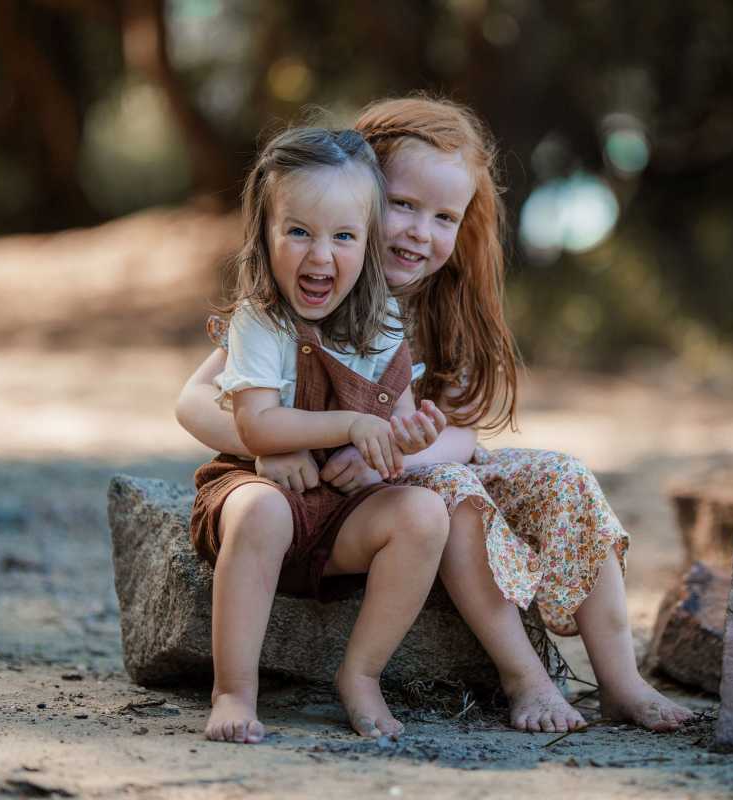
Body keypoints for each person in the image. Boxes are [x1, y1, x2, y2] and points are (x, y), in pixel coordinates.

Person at [177, 97, 693, 734]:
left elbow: (463, 433)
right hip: (355, 489)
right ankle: (525, 678)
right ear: (357, 195)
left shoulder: (446, 303)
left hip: (402, 467)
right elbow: (194, 399)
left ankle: (621, 682)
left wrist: (399, 455)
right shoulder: (306, 291)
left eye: (444, 216)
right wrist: (272, 447)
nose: (420, 231)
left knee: (563, 476)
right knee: (453, 494)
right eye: (403, 205)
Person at [188, 124, 451, 745]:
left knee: (424, 516)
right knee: (259, 514)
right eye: (298, 231)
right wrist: (351, 424)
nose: (319, 256)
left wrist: (407, 438)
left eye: (343, 237)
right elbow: (256, 424)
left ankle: (360, 675)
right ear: (265, 232)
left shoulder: (384, 316)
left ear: (368, 242)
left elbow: (393, 425)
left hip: (343, 516)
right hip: (260, 489)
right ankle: (235, 691)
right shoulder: (261, 319)